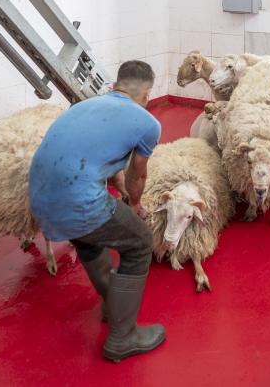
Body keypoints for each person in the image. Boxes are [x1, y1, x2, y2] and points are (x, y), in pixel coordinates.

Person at [28, 60, 165, 362]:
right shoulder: (147, 122)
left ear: (115, 87)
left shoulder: (85, 106)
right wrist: (134, 203)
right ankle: (123, 337)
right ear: (148, 93)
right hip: (76, 201)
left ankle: (111, 305)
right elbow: (136, 177)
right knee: (140, 241)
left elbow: (101, 161)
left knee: (88, 236)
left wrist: (118, 192)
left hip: (40, 200)